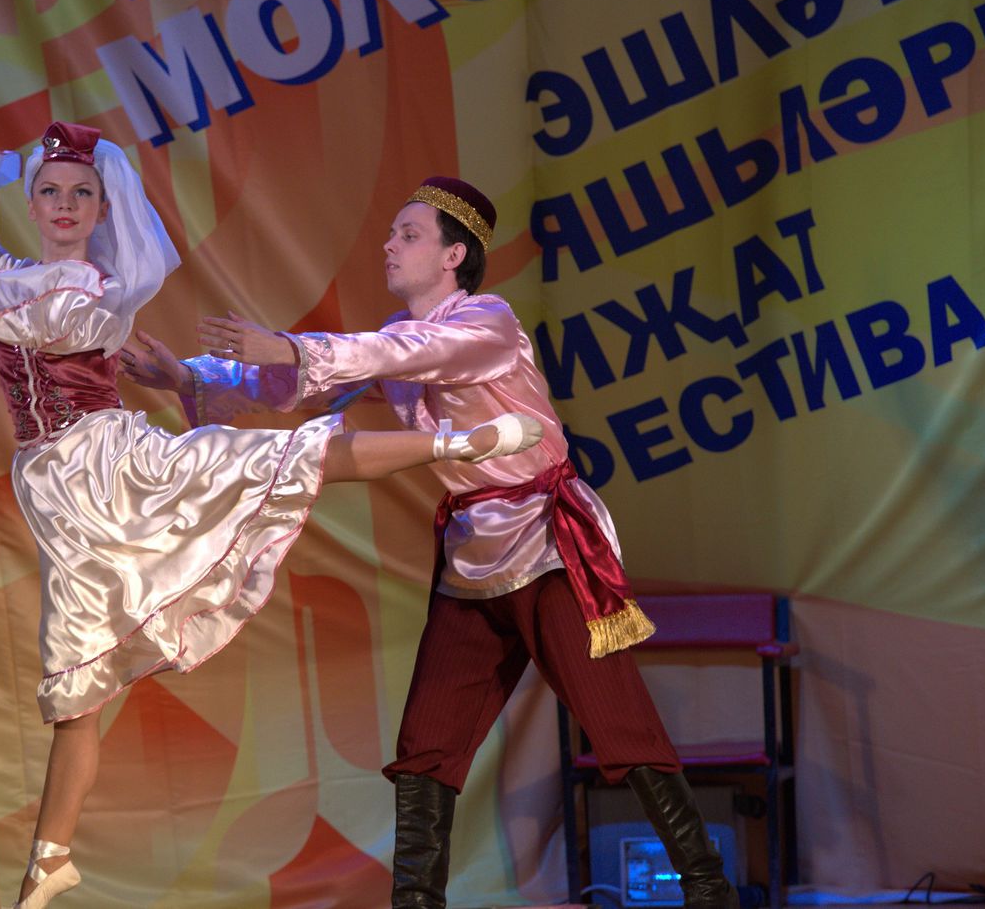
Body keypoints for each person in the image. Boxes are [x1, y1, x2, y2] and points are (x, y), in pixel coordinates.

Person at [0, 52, 544, 909]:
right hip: (58, 498)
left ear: (101, 211)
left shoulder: (94, 284)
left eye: (82, 194)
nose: (66, 206)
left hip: (116, 466)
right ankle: (49, 861)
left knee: (287, 456)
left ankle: (461, 438)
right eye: (51, 192)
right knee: (77, 688)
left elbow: (61, 323)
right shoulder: (7, 275)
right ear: (32, 203)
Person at [122, 176, 739, 909]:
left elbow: (398, 354)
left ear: (453, 256)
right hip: (472, 558)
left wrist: (289, 344)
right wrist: (184, 376)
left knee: (616, 719)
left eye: (408, 235)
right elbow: (299, 389)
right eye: (391, 233)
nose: (389, 245)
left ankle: (708, 889)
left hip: (546, 545)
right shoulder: (396, 339)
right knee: (427, 747)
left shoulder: (487, 324)